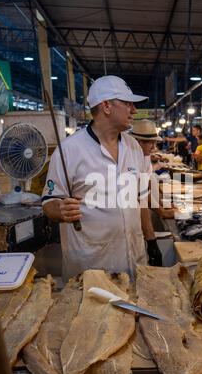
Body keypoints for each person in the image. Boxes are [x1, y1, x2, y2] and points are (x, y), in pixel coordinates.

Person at [42, 75, 162, 282]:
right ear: (106, 106)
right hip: (92, 267)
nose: (134, 110)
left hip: (134, 260)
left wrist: (151, 240)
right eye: (127, 103)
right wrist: (60, 210)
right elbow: (49, 203)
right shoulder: (69, 151)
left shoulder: (133, 146)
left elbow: (140, 200)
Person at [130, 119, 176, 219]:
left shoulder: (145, 157)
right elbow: (140, 191)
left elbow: (148, 183)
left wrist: (162, 203)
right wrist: (162, 212)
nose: (153, 148)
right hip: (135, 212)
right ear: (138, 142)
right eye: (151, 143)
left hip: (148, 207)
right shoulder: (129, 159)